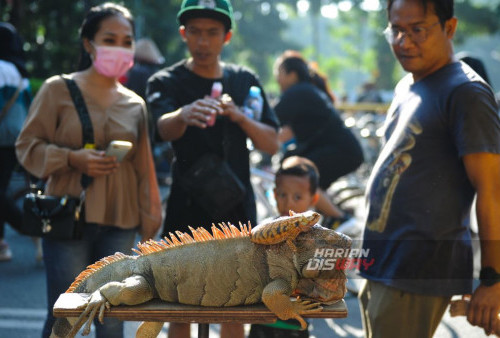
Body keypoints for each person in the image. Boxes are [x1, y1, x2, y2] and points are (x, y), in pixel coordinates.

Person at [15, 3, 161, 337]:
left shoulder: (134, 103)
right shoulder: (57, 89)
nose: (120, 48)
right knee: (65, 315)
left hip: (120, 222)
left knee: (112, 318)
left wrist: (152, 217)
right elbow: (27, 146)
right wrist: (72, 158)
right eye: (110, 38)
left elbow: (145, 168)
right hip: (69, 216)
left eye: (127, 41)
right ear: (88, 43)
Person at [358, 0, 500, 337]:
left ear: (449, 28)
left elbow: (492, 191)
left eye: (417, 29)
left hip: (416, 273)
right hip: (380, 265)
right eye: (396, 30)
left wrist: (493, 279)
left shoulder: (466, 92)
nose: (404, 42)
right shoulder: (407, 86)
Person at [146, 1, 279, 337]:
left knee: (235, 308)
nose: (203, 41)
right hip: (185, 210)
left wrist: (240, 116)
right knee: (180, 309)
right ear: (183, 34)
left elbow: (271, 143)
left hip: (236, 209)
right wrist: (184, 114)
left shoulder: (244, 80)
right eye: (195, 32)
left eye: (212, 33)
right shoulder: (168, 80)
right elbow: (160, 128)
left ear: (227, 36)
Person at [273, 50, 364, 227]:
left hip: (340, 151)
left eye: (279, 74)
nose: (277, 79)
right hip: (346, 150)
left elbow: (269, 120)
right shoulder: (308, 90)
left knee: (302, 178)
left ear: (291, 74)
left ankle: (341, 219)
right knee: (302, 173)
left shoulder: (297, 92)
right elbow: (286, 132)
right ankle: (332, 218)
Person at [249, 155, 319, 338]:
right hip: (262, 319)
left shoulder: (315, 238)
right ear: (273, 194)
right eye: (282, 195)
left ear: (313, 198)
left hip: (296, 323)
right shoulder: (265, 231)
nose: (289, 203)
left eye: (298, 197)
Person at [0, 22, 32, 261]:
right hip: (16, 139)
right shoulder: (21, 72)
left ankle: (26, 224)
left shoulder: (1, 68)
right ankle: (2, 242)